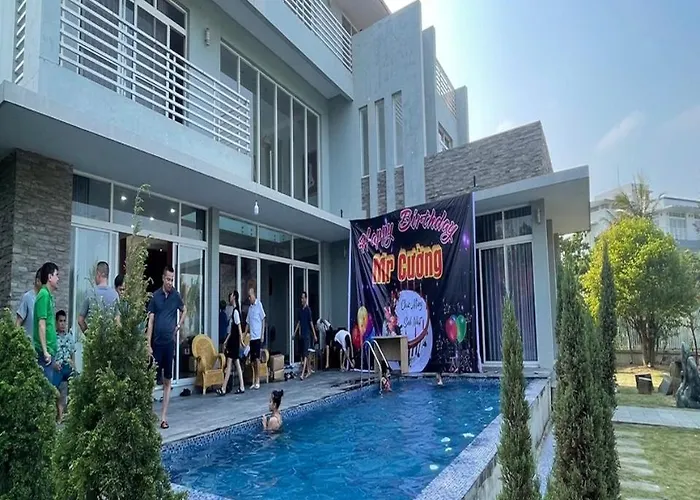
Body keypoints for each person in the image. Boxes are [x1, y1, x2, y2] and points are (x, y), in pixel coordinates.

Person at [146, 265, 187, 430]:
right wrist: (148, 344)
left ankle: (163, 417)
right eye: (168, 279)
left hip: (169, 344)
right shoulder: (155, 296)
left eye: (172, 279)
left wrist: (178, 325)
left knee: (167, 381)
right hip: (156, 345)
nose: (170, 282)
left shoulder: (175, 295)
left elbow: (184, 310)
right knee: (151, 381)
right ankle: (149, 416)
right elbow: (150, 321)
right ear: (163, 278)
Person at [34, 262, 61, 417]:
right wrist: (45, 351)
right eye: (56, 275)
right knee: (45, 394)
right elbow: (41, 324)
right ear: (49, 277)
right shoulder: (43, 295)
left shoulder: (49, 296)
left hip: (50, 353)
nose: (58, 278)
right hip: (45, 355)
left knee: (49, 392)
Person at [78, 261, 120, 333]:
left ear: (98, 274)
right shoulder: (114, 295)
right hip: (109, 338)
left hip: (93, 336)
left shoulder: (90, 293)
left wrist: (89, 335)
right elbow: (117, 322)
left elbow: (80, 320)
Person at [219, 291, 245, 396]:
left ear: (234, 297)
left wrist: (241, 340)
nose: (229, 297)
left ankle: (223, 388)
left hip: (234, 342)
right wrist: (226, 341)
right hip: (232, 341)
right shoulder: (235, 311)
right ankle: (241, 386)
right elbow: (231, 330)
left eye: (231, 296)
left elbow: (239, 327)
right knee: (236, 363)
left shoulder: (235, 312)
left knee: (229, 364)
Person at [55, 310, 76, 422]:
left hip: (68, 367)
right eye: (60, 321)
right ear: (56, 322)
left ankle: (71, 414)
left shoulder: (69, 337)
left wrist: (74, 365)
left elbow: (72, 354)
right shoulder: (53, 338)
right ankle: (60, 416)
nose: (62, 324)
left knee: (75, 383)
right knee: (60, 389)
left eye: (64, 321)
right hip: (58, 367)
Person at [244, 287, 265, 390]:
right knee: (252, 361)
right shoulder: (250, 308)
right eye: (248, 296)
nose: (249, 298)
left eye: (250, 296)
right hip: (252, 337)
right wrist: (244, 335)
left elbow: (263, 319)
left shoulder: (258, 305)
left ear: (253, 295)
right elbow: (247, 323)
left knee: (257, 359)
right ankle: (253, 379)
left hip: (257, 336)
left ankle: (257, 380)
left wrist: (262, 334)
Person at [294, 291, 317, 380]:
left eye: (303, 298)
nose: (302, 300)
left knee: (306, 354)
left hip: (307, 334)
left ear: (306, 299)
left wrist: (314, 335)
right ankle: (309, 370)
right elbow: (299, 322)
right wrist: (295, 333)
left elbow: (311, 323)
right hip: (302, 334)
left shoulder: (308, 310)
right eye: (301, 298)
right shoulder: (300, 310)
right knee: (303, 353)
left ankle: (303, 373)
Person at [16, 268, 41, 340]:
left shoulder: (46, 299)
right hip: (28, 343)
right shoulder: (28, 297)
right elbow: (18, 322)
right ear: (38, 281)